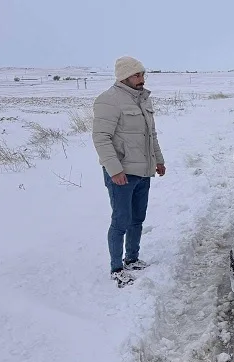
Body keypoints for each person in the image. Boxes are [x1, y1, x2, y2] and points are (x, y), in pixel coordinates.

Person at [92, 56, 166, 288]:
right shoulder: (109, 100)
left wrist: (159, 160)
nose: (142, 79)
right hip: (122, 173)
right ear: (124, 76)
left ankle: (132, 258)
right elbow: (101, 138)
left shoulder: (143, 100)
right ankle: (116, 268)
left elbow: (150, 136)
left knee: (137, 219)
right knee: (121, 220)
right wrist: (114, 170)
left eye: (143, 74)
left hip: (143, 171)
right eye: (137, 75)